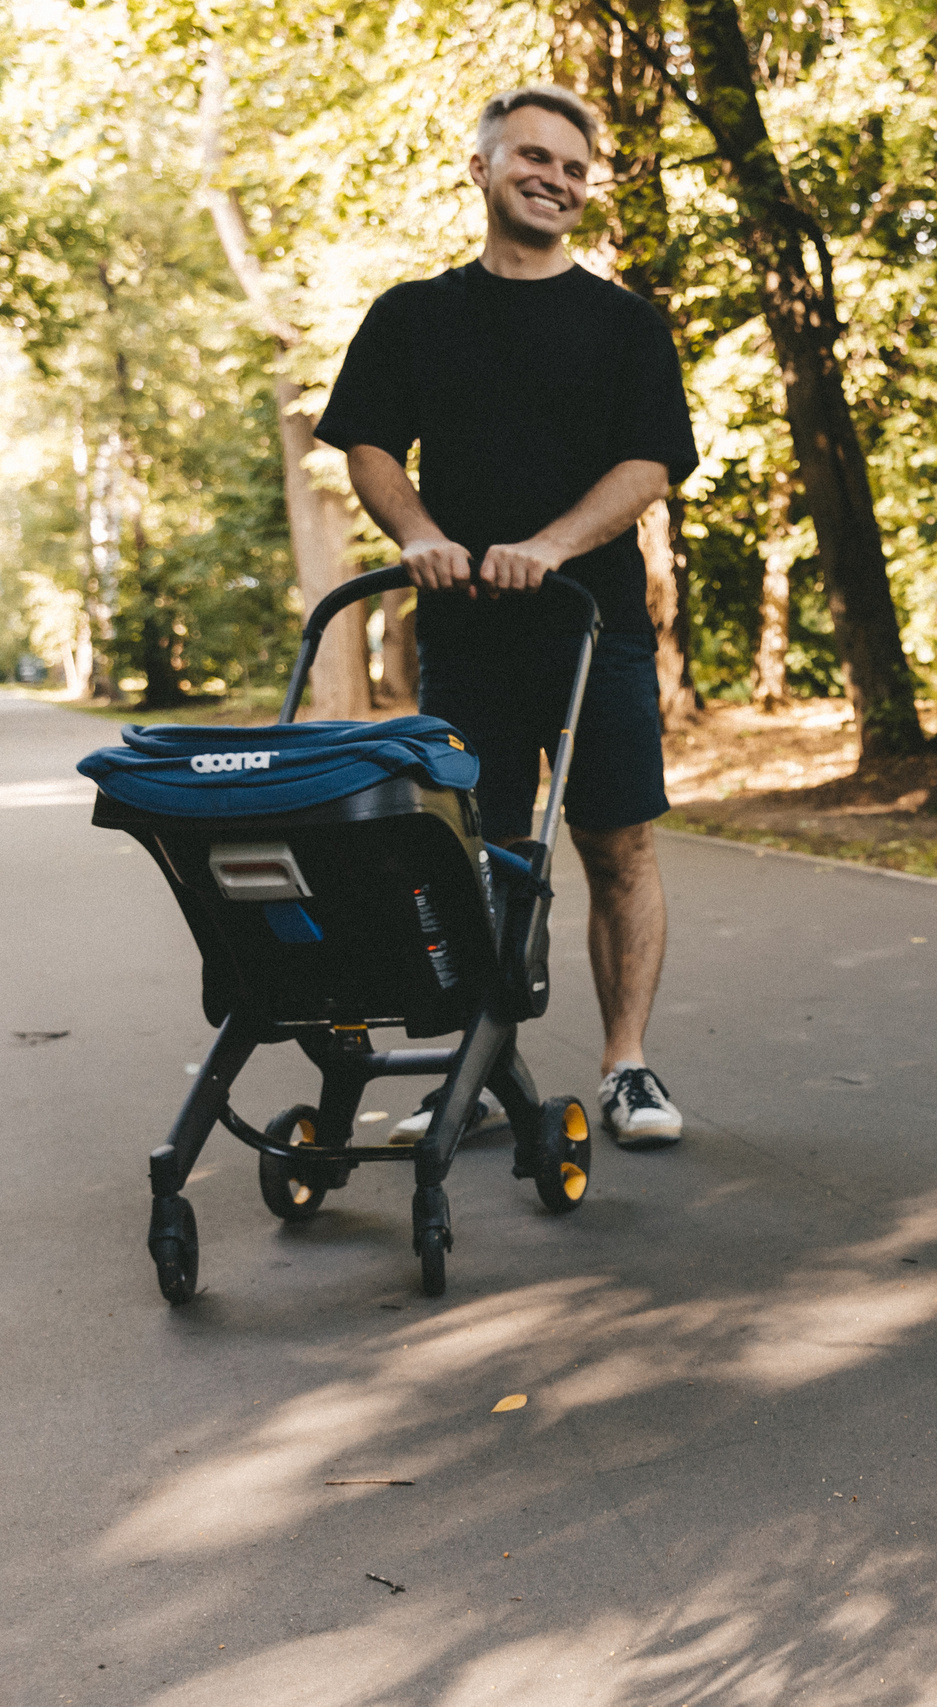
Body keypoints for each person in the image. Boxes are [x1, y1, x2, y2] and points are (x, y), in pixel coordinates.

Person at [317, 85, 697, 1149]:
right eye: (533, 157)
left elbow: (651, 463)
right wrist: (418, 534)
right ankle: (482, 1070)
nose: (556, 179)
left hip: (593, 628)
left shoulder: (625, 325)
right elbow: (370, 446)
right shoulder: (413, 315)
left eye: (574, 168)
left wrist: (549, 547)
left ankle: (626, 1070)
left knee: (617, 847)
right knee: (475, 855)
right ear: (480, 168)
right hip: (466, 636)